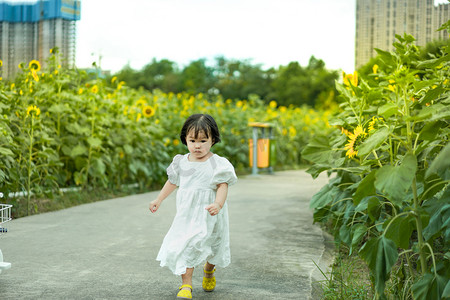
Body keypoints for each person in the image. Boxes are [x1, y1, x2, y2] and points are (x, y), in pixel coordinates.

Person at [149, 114, 237, 299]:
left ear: (213, 140)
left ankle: (209, 270)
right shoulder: (181, 162)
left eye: (203, 140)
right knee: (187, 244)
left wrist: (218, 204)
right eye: (192, 140)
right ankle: (186, 285)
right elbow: (172, 182)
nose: (197, 145)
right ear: (185, 140)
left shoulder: (217, 163)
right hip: (188, 214)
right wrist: (159, 199)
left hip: (211, 213)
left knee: (213, 247)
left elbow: (223, 185)